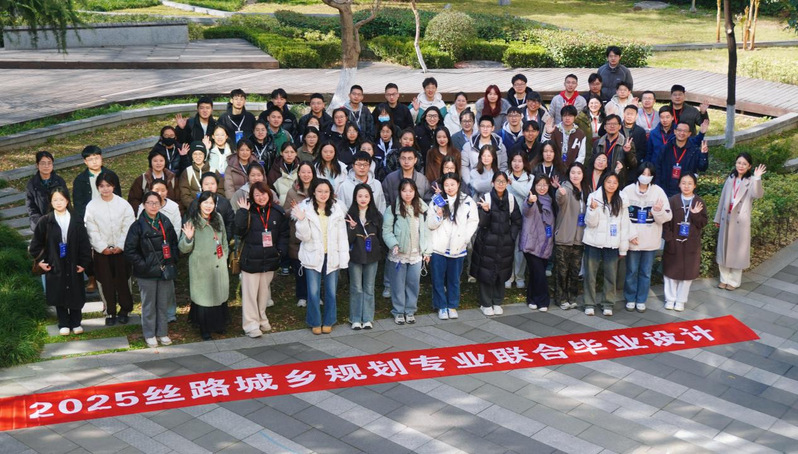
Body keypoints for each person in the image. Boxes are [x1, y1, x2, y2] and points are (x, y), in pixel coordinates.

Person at [29, 187, 92, 336]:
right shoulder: (46, 221)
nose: (58, 202)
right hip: (54, 262)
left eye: (61, 199)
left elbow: (84, 243)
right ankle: (63, 322)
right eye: (55, 200)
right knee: (59, 291)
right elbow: (36, 245)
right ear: (51, 202)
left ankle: (76, 322)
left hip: (73, 261)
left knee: (75, 290)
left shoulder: (76, 219)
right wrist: (41, 261)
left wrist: (84, 263)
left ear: (67, 201)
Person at [292, 179, 349, 334]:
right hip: (312, 254)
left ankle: (329, 320)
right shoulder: (305, 208)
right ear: (313, 192)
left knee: (331, 291)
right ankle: (314, 321)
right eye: (319, 191)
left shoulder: (337, 209)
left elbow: (342, 236)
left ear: (331, 193)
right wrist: (302, 220)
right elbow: (303, 237)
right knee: (313, 292)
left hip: (332, 255)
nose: (323, 194)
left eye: (326, 191)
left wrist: (344, 258)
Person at [124, 191, 179, 347]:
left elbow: (173, 244)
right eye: (150, 202)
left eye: (156, 203)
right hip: (146, 273)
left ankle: (162, 332)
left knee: (163, 304)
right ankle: (149, 334)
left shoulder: (165, 222)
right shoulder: (137, 226)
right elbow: (130, 250)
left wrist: (171, 261)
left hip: (164, 270)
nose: (153, 206)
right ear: (144, 204)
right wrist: (144, 265)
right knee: (149, 305)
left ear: (161, 204)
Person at [235, 181, 290, 337]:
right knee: (250, 294)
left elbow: (284, 234)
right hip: (250, 259)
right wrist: (242, 212)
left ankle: (261, 318)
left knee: (263, 293)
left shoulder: (277, 212)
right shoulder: (247, 211)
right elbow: (238, 230)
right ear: (252, 197)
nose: (261, 197)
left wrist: (280, 252)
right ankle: (250, 325)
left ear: (269, 194)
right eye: (257, 195)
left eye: (263, 193)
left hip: (270, 258)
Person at [84, 172, 135, 326]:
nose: (105, 189)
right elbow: (91, 229)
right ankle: (110, 311)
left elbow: (128, 226)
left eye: (108, 185)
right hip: (102, 252)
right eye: (102, 186)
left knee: (123, 279)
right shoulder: (92, 206)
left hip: (121, 251)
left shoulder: (123, 204)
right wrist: (102, 247)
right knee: (104, 281)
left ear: (114, 186)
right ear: (97, 187)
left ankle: (125, 310)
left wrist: (120, 245)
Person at [620, 163, 672, 312]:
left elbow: (667, 217)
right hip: (633, 239)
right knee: (631, 271)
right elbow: (622, 215)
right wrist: (630, 235)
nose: (646, 177)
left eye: (649, 174)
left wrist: (657, 211)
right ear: (638, 174)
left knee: (645, 272)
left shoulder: (658, 191)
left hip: (650, 240)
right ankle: (630, 298)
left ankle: (641, 299)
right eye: (643, 173)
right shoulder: (628, 190)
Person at [179, 192, 230, 341]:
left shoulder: (218, 218)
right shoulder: (192, 221)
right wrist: (188, 238)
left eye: (211, 203)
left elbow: (224, 240)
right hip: (201, 267)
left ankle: (218, 325)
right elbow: (183, 248)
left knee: (218, 296)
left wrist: (224, 256)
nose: (208, 206)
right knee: (204, 299)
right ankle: (204, 328)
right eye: (205, 202)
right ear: (199, 204)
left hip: (218, 264)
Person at [427, 173, 479, 320]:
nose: (449, 188)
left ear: (458, 184)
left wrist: (465, 238)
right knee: (438, 279)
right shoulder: (436, 201)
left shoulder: (467, 201)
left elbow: (473, 221)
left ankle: (452, 305)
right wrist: (438, 216)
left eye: (452, 184)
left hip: (458, 246)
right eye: (446, 185)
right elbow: (429, 224)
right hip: (438, 247)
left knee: (454, 279)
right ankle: (441, 306)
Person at [471, 171, 522, 316]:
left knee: (501, 272)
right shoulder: (485, 198)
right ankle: (486, 303)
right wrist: (486, 211)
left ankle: (497, 301)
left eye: (503, 181)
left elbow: (517, 221)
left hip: (505, 242)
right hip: (487, 243)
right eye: (498, 181)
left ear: (507, 183)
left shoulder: (511, 199)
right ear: (492, 183)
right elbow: (481, 223)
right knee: (486, 272)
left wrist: (511, 236)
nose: (500, 184)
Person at [582, 173, 632, 316]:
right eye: (609, 181)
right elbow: (590, 223)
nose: (611, 185)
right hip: (593, 242)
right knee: (590, 275)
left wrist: (623, 248)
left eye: (614, 182)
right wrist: (592, 210)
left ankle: (608, 303)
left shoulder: (622, 200)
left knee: (610, 275)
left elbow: (624, 225)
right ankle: (589, 303)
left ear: (618, 184)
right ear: (603, 182)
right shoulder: (594, 197)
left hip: (612, 244)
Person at [714, 153, 766, 291]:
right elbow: (722, 199)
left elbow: (757, 194)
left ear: (749, 166)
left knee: (737, 252)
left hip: (740, 221)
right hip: (726, 218)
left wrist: (757, 178)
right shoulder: (730, 178)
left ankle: (734, 281)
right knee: (724, 249)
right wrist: (717, 218)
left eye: (744, 164)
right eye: (738, 162)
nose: (741, 166)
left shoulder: (751, 181)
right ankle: (724, 279)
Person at [383, 179, 431, 325]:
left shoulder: (422, 208)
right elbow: (386, 231)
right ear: (400, 192)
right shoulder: (393, 208)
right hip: (398, 255)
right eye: (404, 191)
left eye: (411, 190)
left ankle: (410, 311)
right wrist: (393, 244)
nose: (408, 194)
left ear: (415, 191)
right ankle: (398, 311)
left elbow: (426, 232)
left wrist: (427, 251)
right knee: (398, 285)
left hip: (416, 254)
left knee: (413, 284)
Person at [662, 174, 708, 311]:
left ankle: (681, 300)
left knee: (688, 274)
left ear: (695, 185)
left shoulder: (699, 202)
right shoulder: (672, 200)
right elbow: (665, 222)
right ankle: (670, 299)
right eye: (683, 183)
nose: (686, 186)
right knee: (670, 272)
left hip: (691, 243)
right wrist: (669, 239)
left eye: (690, 183)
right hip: (674, 241)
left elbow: (703, 223)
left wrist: (695, 214)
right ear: (679, 184)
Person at [344, 184, 384, 329]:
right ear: (355, 197)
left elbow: (381, 237)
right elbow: (346, 240)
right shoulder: (349, 216)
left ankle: (367, 318)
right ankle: (355, 318)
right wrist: (352, 228)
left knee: (369, 287)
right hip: (355, 256)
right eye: (360, 196)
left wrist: (380, 250)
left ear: (371, 198)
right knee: (356, 287)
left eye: (366, 196)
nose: (363, 199)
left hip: (372, 256)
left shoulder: (376, 216)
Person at [554, 162, 589, 310]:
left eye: (579, 173)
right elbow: (560, 200)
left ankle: (572, 296)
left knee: (575, 270)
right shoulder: (565, 188)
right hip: (564, 236)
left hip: (579, 238)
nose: (575, 176)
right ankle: (561, 298)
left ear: (583, 175)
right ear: (569, 174)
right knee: (562, 271)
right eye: (573, 172)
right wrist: (560, 193)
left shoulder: (587, 190)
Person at [519, 175, 555, 311]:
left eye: (545, 185)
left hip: (546, 243)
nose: (542, 188)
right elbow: (526, 210)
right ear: (534, 186)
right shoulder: (531, 199)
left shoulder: (551, 201)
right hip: (531, 244)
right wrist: (530, 201)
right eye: (539, 185)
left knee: (535, 273)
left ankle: (532, 299)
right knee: (540, 273)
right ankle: (543, 301)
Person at [284, 161, 316, 307]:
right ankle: (302, 295)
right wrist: (295, 210)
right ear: (298, 174)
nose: (306, 175)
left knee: (315, 267)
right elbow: (285, 212)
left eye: (309, 172)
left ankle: (315, 295)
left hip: (315, 234)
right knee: (299, 267)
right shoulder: (292, 192)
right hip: (297, 235)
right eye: (303, 172)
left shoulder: (318, 189)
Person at [656, 120, 709, 197]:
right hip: (666, 189)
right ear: (675, 131)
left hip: (685, 191)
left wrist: (703, 154)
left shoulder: (694, 150)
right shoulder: (666, 148)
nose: (682, 133)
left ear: (689, 134)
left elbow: (702, 168)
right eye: (679, 130)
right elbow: (658, 168)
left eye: (685, 131)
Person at [506, 152, 534, 289]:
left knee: (520, 247)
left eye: (520, 161)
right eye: (514, 160)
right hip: (507, 217)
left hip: (524, 217)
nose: (516, 164)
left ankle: (519, 276)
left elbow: (526, 193)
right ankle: (508, 276)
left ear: (524, 163)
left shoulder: (530, 178)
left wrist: (512, 183)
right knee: (507, 247)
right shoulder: (505, 175)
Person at [73, 145, 121, 221]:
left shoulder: (111, 175)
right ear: (85, 161)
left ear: (101, 158)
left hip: (111, 215)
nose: (94, 162)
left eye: (97, 158)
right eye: (90, 159)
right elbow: (78, 203)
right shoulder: (80, 180)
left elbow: (118, 196)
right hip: (90, 217)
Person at [27, 151, 69, 231]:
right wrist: (41, 221)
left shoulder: (59, 181)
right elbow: (31, 207)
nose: (46, 166)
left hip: (59, 218)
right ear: (37, 165)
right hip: (40, 221)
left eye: (49, 163)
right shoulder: (32, 184)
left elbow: (66, 201)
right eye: (43, 163)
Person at [128, 148, 179, 215]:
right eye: (155, 161)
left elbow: (178, 199)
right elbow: (133, 199)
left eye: (161, 161)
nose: (158, 163)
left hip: (169, 214)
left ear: (165, 161)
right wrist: (143, 214)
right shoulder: (142, 179)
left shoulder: (172, 178)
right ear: (150, 162)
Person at [592, 114, 636, 186]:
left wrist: (627, 152)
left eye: (615, 124)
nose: (612, 126)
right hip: (600, 179)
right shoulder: (597, 143)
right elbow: (592, 162)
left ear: (620, 126)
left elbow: (633, 164)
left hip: (618, 180)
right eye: (609, 124)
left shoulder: (626, 143)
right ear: (604, 127)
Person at [462, 116, 507, 185]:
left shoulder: (500, 146)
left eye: (488, 126)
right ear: (478, 127)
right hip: (474, 183)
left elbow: (503, 166)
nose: (485, 129)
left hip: (495, 184)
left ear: (493, 128)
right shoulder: (468, 146)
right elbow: (464, 166)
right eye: (482, 126)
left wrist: (499, 182)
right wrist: (469, 182)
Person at [178, 142, 212, 213]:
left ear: (204, 155)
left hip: (211, 207)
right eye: (195, 154)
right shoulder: (187, 171)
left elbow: (220, 191)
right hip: (193, 210)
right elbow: (184, 194)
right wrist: (196, 206)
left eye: (200, 154)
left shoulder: (213, 170)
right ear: (191, 156)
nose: (198, 157)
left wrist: (211, 205)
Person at [261, 106, 294, 171]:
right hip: (265, 169)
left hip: (282, 169)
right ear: (268, 118)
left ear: (282, 119)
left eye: (279, 117)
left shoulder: (286, 135)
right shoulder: (261, 133)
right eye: (273, 117)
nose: (276, 119)